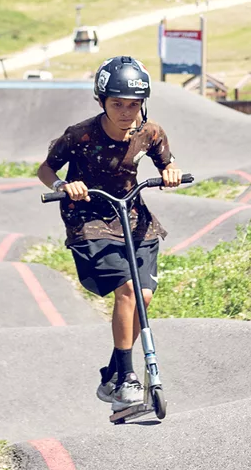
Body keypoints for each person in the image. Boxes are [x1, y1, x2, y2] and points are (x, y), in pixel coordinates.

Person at [37, 56, 181, 410]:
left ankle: (113, 375)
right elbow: (45, 169)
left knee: (143, 297)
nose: (126, 112)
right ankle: (128, 378)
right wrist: (63, 184)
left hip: (131, 214)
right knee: (128, 290)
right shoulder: (80, 135)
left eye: (134, 105)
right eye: (117, 104)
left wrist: (172, 172)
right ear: (102, 101)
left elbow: (167, 162)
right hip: (88, 217)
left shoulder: (150, 133)